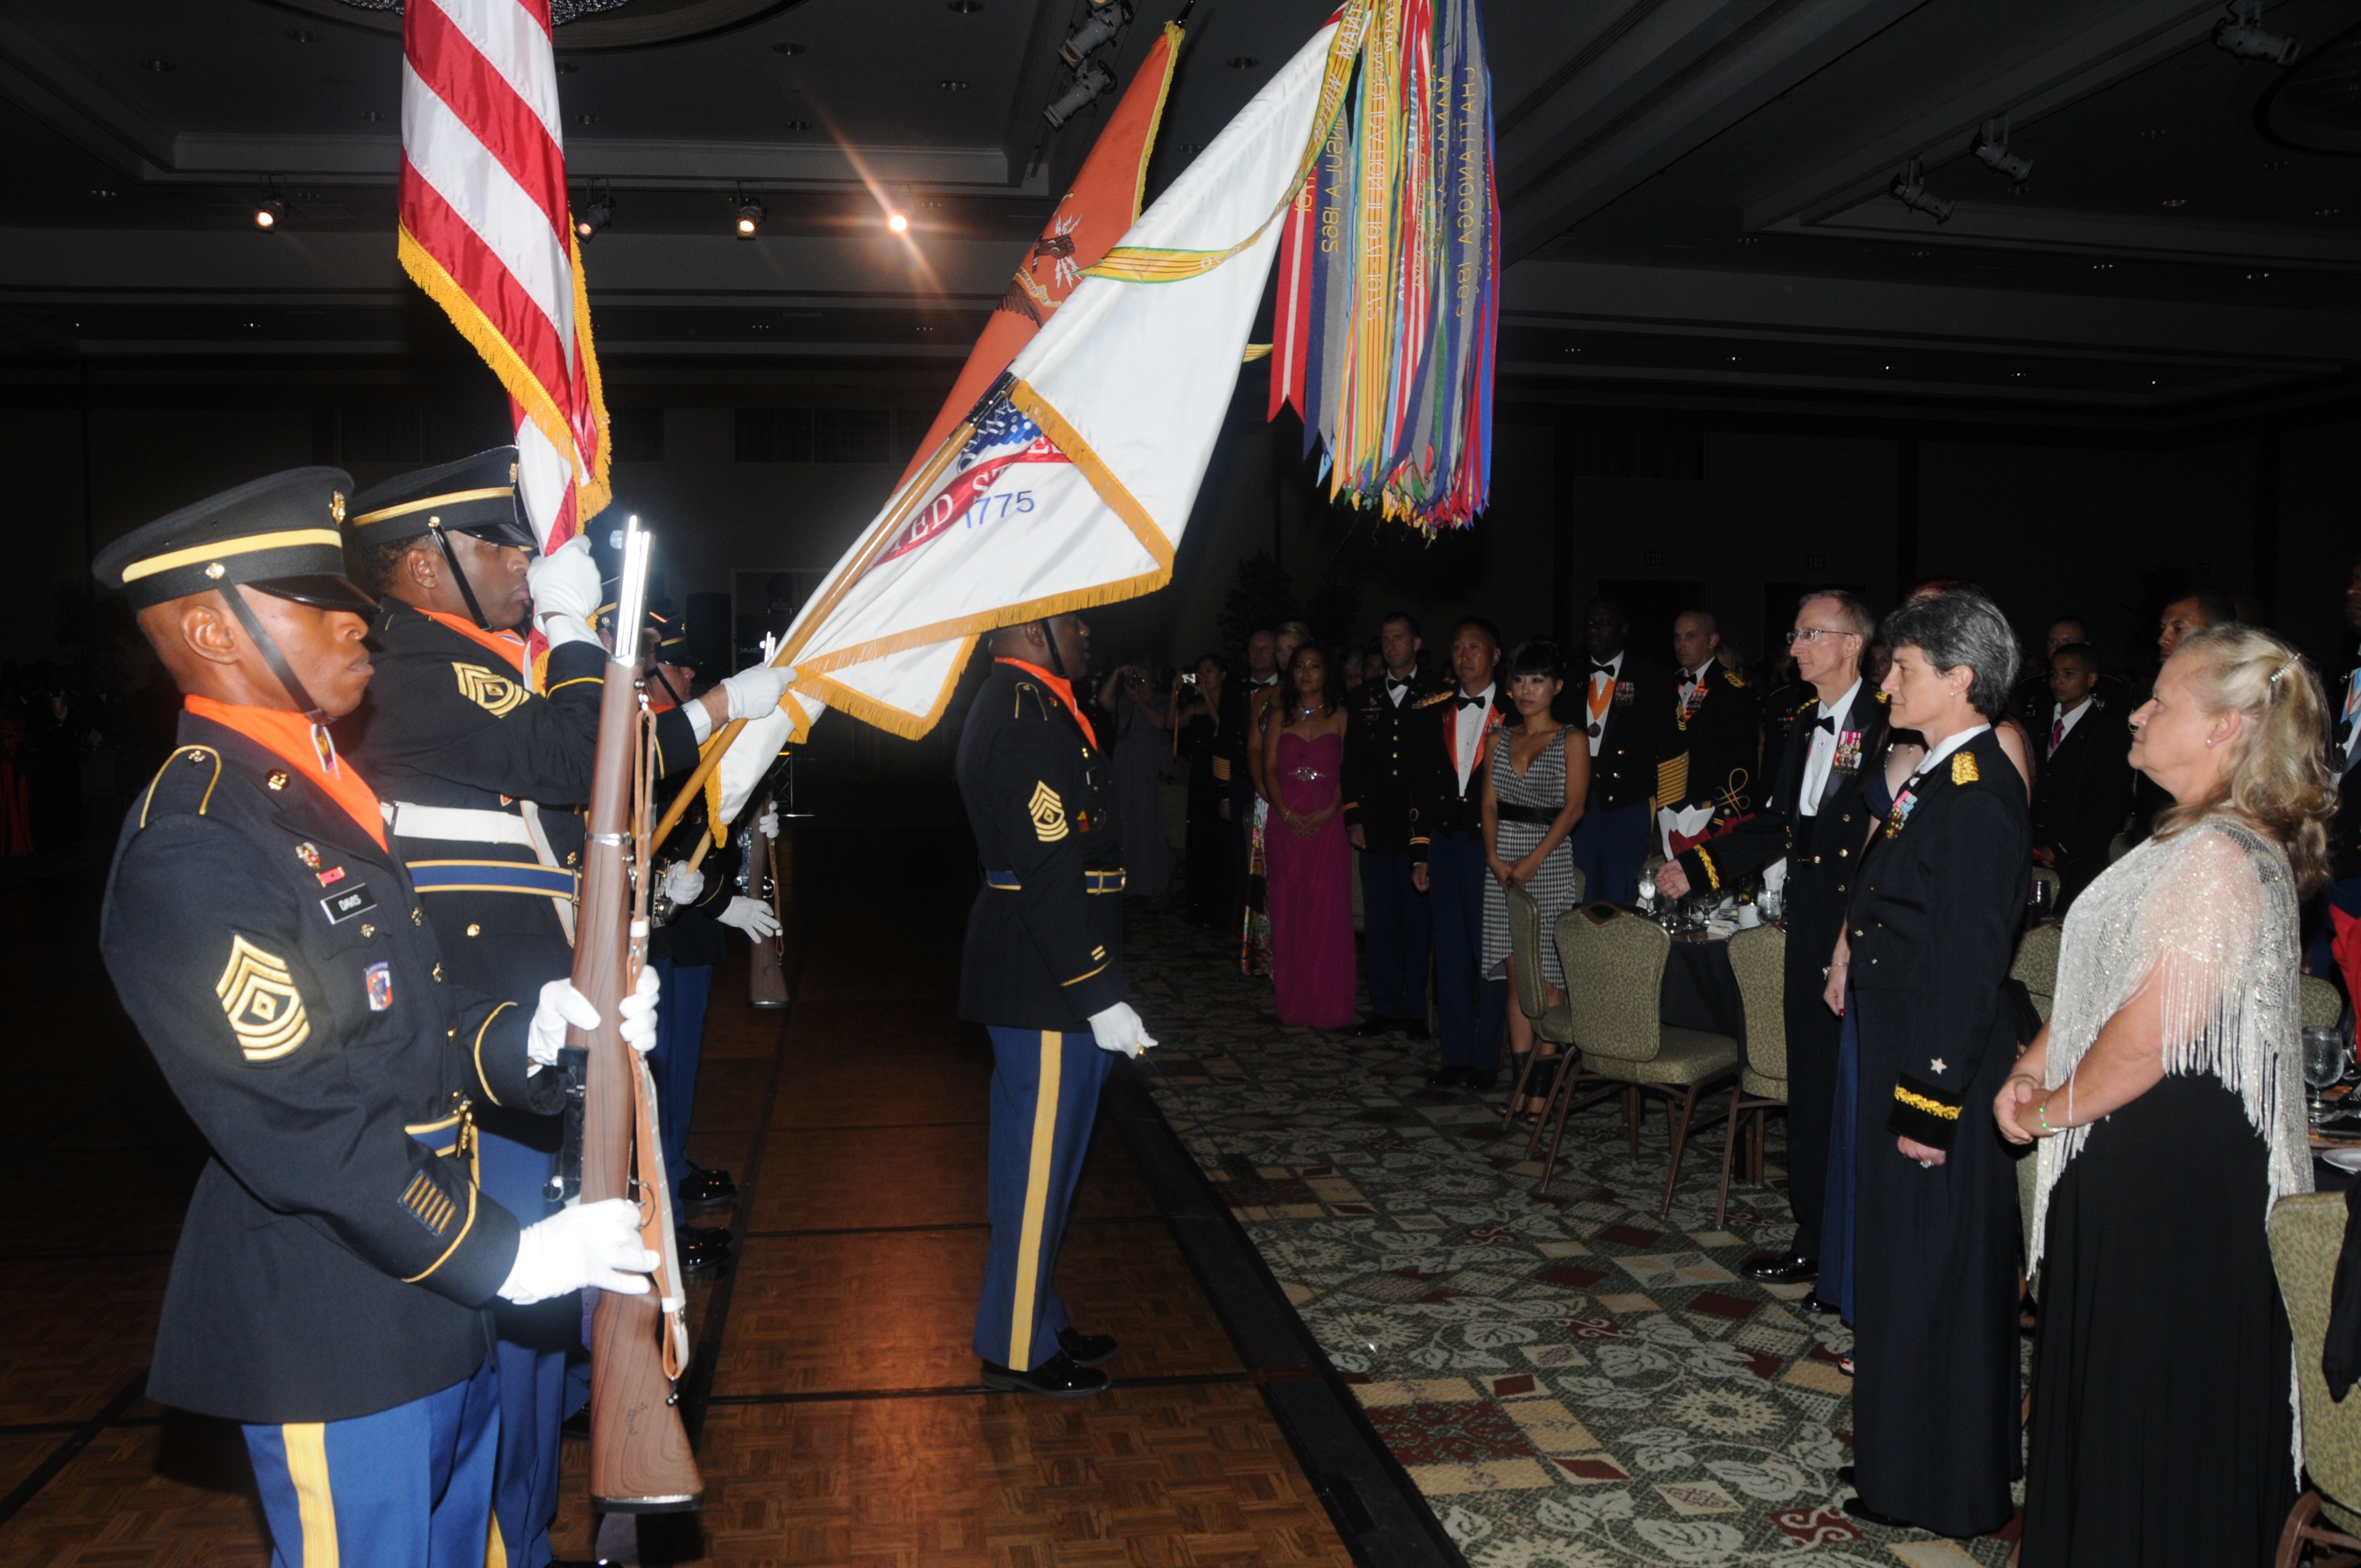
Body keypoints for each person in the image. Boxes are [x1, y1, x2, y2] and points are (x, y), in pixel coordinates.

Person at [92, 468, 661, 1566]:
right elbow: (299, 1118)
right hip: (336, 1318)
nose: (361, 618)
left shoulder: (310, 791)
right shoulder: (196, 839)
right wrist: (497, 1256)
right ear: (212, 625)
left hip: (427, 1291)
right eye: (318, 598)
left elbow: (407, 1018)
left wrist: (530, 1031)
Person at [336, 449, 788, 1561]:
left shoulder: (472, 663)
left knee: (532, 1367)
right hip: (477, 1048)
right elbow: (585, 751)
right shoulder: (414, 668)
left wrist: (734, 715)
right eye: (503, 543)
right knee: (494, 1358)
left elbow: (601, 783)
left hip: (528, 1043)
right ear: (426, 561)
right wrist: (587, 628)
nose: (525, 563)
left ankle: (535, 1533)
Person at [2004, 624, 2329, 1567]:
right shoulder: (2187, 838)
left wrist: (2047, 1104)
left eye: (2161, 700)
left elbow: (2151, 1028)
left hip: (2172, 1186)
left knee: (2150, 1408)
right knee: (2118, 1399)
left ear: (2227, 729)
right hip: (2145, 1166)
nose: (2136, 710)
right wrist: (2036, 1061)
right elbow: (2102, 985)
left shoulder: (2220, 857)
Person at [1822, 589, 2026, 1538]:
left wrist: (1928, 1103)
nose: (1885, 681)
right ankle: (1899, 1462)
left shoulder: (1979, 789)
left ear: (1959, 679)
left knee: (1933, 1281)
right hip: (1902, 1051)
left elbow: (1968, 959)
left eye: (1902, 668)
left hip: (1931, 1071)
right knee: (1903, 1277)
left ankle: (1941, 1482)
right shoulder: (1942, 775)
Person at [1658, 591, 1887, 1296]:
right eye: (1794, 634)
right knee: (1812, 1089)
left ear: (1851, 643)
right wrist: (1695, 867)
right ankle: (1815, 1239)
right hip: (1809, 922)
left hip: (1865, 928)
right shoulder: (1798, 721)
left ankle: (1861, 1254)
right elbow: (1776, 823)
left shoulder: (1890, 724)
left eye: (1809, 634)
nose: (1793, 647)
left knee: (1860, 1092)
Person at [958, 614, 1155, 1396]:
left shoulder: (1032, 703)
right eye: (1075, 620)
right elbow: (1047, 871)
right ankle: (1016, 1346)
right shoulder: (1023, 717)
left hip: (1050, 966)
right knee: (1036, 1170)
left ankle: (1035, 1313)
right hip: (1047, 977)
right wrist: (1098, 992)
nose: (1087, 632)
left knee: (1042, 1163)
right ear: (1034, 633)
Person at [642, 621, 781, 1223]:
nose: (688, 673)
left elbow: (704, 810)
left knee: (681, 1061)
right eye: (674, 664)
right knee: (663, 1064)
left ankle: (671, 1165)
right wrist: (721, 900)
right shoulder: (645, 732)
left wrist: (753, 818)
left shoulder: (673, 730)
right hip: (665, 928)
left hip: (686, 924)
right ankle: (660, 1191)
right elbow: (655, 833)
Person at [1478, 640, 1587, 1117]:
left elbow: (1575, 808)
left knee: (1546, 980)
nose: (1526, 690)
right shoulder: (1498, 738)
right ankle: (1520, 1088)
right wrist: (1494, 858)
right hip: (1501, 867)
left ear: (1557, 687)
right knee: (1517, 980)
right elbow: (1488, 805)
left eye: (1537, 681)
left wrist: (1532, 862)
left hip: (1548, 861)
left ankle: (1542, 1091)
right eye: (1519, 680)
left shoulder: (1572, 739)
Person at [1410, 618, 1506, 1089]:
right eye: (1458, 646)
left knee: (1490, 957)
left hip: (1490, 849)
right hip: (1446, 846)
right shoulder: (1434, 709)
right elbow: (1423, 787)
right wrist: (1421, 852)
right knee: (1449, 956)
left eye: (1475, 647)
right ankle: (1455, 1058)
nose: (1465, 655)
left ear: (1495, 657)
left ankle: (1487, 1061)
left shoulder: (1517, 712)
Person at [1343, 612, 1440, 1038]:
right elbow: (1353, 763)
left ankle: (1416, 1011)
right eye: (1385, 639)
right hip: (1378, 825)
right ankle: (1385, 1008)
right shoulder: (1364, 695)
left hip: (1421, 826)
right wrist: (1354, 814)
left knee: (1417, 924)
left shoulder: (1439, 694)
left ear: (1417, 643)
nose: (1391, 646)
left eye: (1399, 638)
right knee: (1380, 923)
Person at [1261, 644, 1354, 1028]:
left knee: (1327, 913)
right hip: (1285, 823)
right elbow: (1268, 770)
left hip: (1328, 823)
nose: (1306, 673)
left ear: (1326, 672)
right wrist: (1283, 811)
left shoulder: (1344, 717)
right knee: (1289, 912)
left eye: (1315, 666)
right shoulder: (1280, 716)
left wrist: (1331, 810)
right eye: (1299, 667)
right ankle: (1294, 1003)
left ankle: (1329, 1005)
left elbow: (1352, 771)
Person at [1568, 596, 1669, 906]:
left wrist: (1661, 823)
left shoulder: (1650, 676)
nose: (1595, 628)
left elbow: (1666, 749)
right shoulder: (1570, 676)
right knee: (1580, 896)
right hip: (1579, 804)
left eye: (1604, 622)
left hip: (1628, 803)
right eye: (1590, 623)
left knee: (1622, 896)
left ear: (1624, 628)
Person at [2029, 643, 2132, 912]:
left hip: (2079, 857)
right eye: (2053, 674)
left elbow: (2110, 800)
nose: (2058, 682)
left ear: (2091, 679)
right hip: (2034, 850)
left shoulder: (2107, 730)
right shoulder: (2038, 723)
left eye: (2069, 674)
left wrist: (2062, 846)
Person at [1239, 622, 1310, 975]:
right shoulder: (1267, 698)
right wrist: (1266, 791)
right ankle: (1274, 959)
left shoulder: (1321, 698)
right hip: (1270, 800)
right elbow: (1253, 747)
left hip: (1308, 800)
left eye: (1290, 650)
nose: (1284, 657)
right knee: (1271, 881)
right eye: (1280, 651)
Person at [1664, 608, 1761, 846]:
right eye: (1677, 637)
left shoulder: (1732, 692)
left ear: (1712, 640)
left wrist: (1725, 817)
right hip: (1667, 808)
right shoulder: (1667, 685)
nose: (1681, 644)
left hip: (1707, 809)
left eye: (1691, 636)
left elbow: (1741, 761)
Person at [1100, 662, 1177, 902]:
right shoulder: (1124, 702)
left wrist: (1138, 700)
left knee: (1152, 824)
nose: (1140, 686)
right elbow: (1103, 700)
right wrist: (1118, 672)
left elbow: (1160, 723)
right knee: (1129, 824)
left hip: (1151, 770)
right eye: (1136, 681)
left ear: (1154, 682)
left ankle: (1157, 883)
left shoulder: (1164, 699)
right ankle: (1131, 882)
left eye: (1144, 681)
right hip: (1126, 770)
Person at [1171, 654, 1235, 927]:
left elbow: (1222, 726)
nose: (1204, 675)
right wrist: (1175, 692)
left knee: (1220, 845)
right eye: (1200, 670)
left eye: (1210, 670)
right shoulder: (1196, 707)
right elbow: (1167, 724)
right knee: (1199, 842)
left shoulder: (1231, 704)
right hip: (1199, 778)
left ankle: (1221, 912)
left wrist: (1207, 694)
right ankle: (1200, 912)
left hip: (1220, 776)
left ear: (1223, 675)